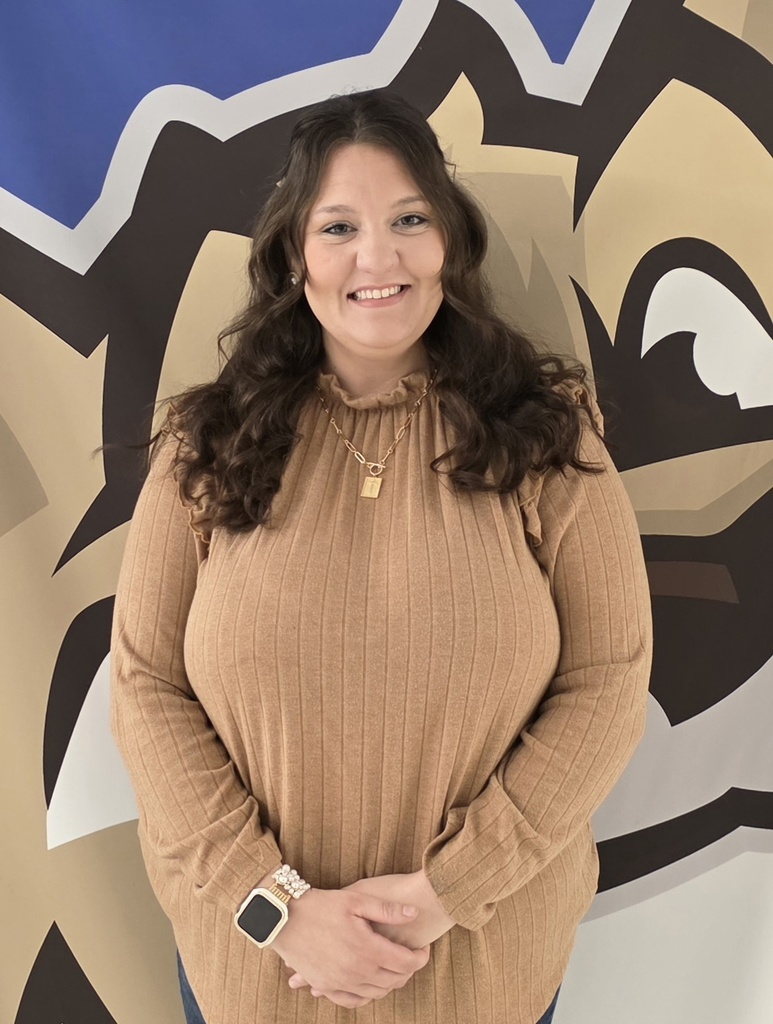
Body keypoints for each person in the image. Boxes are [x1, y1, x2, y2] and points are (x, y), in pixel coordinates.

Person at [110, 90, 652, 1024]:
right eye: (338, 227)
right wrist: (278, 909)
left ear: (448, 240)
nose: (378, 257)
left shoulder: (547, 438)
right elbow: (145, 685)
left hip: (482, 969)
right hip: (254, 974)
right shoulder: (205, 446)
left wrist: (444, 892)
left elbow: (607, 680)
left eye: (409, 219)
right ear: (293, 257)